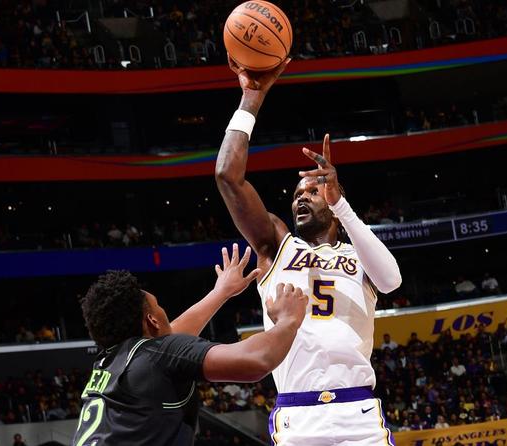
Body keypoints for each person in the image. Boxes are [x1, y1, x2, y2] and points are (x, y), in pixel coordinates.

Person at [216, 56, 401, 445]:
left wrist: (341, 206)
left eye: (314, 191)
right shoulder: (277, 244)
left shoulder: (358, 253)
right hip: (299, 414)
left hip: (359, 412)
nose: (302, 197)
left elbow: (391, 280)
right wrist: (251, 98)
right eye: (298, 193)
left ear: (333, 199)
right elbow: (227, 177)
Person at [72, 244, 307, 446]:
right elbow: (257, 359)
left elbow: (170, 336)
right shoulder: (157, 355)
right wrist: (289, 319)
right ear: (152, 320)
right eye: (158, 306)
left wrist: (221, 292)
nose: (164, 313)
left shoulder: (111, 361)